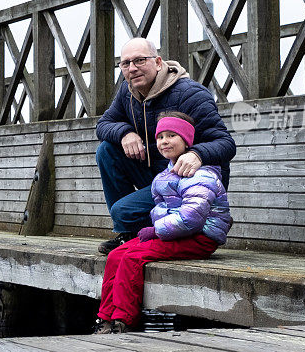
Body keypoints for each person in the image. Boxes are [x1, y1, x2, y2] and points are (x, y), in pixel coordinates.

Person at [93, 111, 232, 334]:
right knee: (116, 254)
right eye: (160, 137)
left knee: (133, 257)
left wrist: (156, 231)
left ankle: (123, 320)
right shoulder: (165, 176)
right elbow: (161, 209)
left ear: (187, 141)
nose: (164, 141)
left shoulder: (201, 175)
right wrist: (155, 229)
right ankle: (105, 317)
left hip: (200, 237)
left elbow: (192, 217)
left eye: (171, 136)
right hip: (176, 233)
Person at [95, 38, 235, 254]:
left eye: (140, 60)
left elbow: (225, 143)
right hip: (157, 177)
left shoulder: (191, 94)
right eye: (126, 63)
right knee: (107, 149)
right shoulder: (127, 92)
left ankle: (152, 228)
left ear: (158, 62)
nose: (132, 69)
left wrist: (197, 154)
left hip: (189, 183)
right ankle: (129, 233)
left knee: (123, 211)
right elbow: (103, 124)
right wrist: (125, 133)